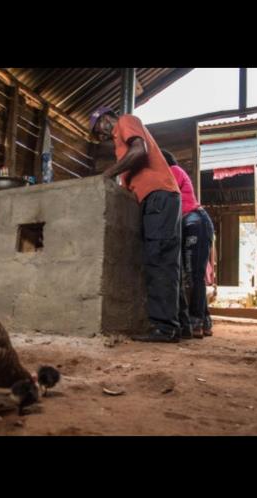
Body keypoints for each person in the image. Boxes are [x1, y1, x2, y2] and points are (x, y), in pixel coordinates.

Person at [90, 106, 183, 343]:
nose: (101, 134)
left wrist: (108, 174)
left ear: (107, 118)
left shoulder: (126, 121)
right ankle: (178, 325)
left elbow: (140, 150)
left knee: (158, 260)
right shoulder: (120, 146)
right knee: (167, 261)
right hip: (160, 197)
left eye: (99, 128)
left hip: (158, 195)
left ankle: (165, 328)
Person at [161, 149, 215, 337]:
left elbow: (167, 196)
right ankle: (204, 322)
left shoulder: (173, 170)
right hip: (192, 223)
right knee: (193, 275)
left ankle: (196, 321)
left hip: (195, 221)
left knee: (193, 275)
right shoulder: (173, 172)